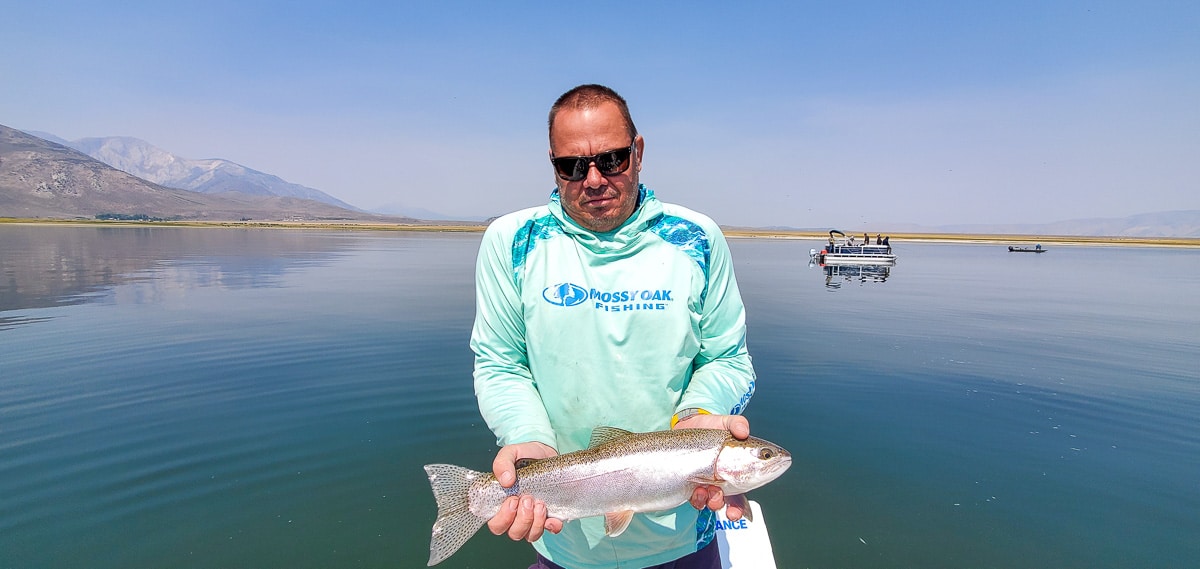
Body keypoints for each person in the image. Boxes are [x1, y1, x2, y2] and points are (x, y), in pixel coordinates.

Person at [470, 84, 757, 569]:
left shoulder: (696, 238)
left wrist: (700, 415)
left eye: (613, 159)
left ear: (638, 152)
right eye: (573, 166)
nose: (595, 178)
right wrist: (526, 436)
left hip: (684, 536)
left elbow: (727, 358)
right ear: (553, 164)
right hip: (562, 538)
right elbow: (501, 364)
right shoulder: (511, 241)